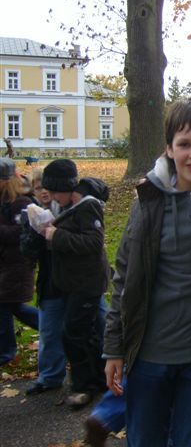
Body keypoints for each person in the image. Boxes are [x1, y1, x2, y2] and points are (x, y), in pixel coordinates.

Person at [103, 97, 191, 446]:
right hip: (150, 356)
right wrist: (114, 348)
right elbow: (125, 277)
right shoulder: (148, 202)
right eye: (184, 144)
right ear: (169, 148)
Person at [41, 160, 109, 407]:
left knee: (74, 334)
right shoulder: (65, 206)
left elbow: (93, 243)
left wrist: (57, 235)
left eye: (55, 191)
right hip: (72, 282)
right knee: (88, 333)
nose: (52, 197)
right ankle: (100, 379)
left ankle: (84, 386)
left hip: (87, 282)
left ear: (67, 188)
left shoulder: (86, 207)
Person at [20, 168, 66, 395]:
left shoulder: (67, 208)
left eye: (46, 187)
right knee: (49, 330)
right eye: (38, 188)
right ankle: (49, 376)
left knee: (98, 323)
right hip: (50, 280)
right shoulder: (31, 214)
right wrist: (36, 232)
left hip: (79, 280)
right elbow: (27, 249)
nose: (44, 192)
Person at [0, 157, 38, 367]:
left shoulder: (21, 203)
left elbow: (22, 232)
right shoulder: (5, 201)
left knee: (6, 305)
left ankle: (6, 352)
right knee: (13, 306)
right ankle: (56, 329)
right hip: (6, 264)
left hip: (17, 264)